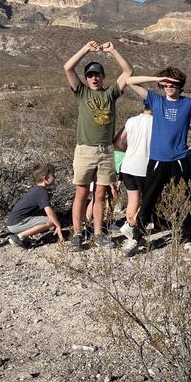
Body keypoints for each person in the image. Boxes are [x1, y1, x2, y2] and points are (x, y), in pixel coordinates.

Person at [121, 67, 191, 256]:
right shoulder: (156, 100)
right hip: (157, 161)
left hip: (179, 160)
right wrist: (157, 78)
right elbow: (129, 81)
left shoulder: (189, 104)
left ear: (180, 85)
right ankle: (136, 238)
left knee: (183, 201)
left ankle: (187, 241)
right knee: (148, 200)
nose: (169, 86)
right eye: (166, 83)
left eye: (173, 83)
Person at [63, 41, 133, 251]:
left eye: (97, 75)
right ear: (86, 78)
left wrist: (112, 51)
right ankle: (77, 234)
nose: (94, 78)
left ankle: (98, 233)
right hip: (85, 149)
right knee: (81, 192)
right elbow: (68, 67)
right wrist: (85, 49)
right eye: (90, 75)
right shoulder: (82, 92)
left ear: (103, 77)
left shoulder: (110, 93)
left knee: (100, 194)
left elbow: (128, 71)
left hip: (106, 151)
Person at [113, 102, 153, 235]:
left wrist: (129, 150)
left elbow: (117, 142)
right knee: (149, 200)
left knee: (132, 201)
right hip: (144, 167)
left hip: (128, 166)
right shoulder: (157, 123)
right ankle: (131, 226)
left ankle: (129, 229)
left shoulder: (131, 121)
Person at [7, 163, 64, 248]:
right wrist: (57, 225)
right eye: (53, 175)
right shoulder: (42, 191)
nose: (55, 177)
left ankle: (25, 236)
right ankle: (19, 237)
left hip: (12, 222)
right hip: (17, 224)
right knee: (51, 220)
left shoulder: (35, 189)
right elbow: (48, 210)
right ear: (46, 178)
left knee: (52, 218)